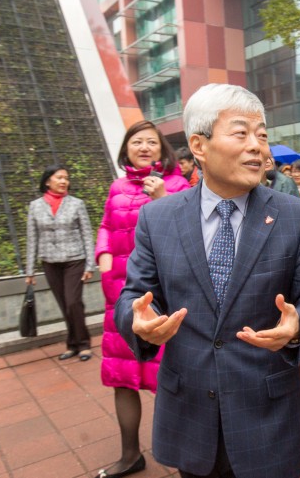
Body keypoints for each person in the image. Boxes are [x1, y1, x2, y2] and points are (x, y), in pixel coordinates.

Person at [115, 83, 300, 478]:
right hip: (190, 412)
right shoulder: (158, 218)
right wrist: (139, 323)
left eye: (263, 135)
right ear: (199, 146)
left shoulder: (293, 216)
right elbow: (135, 293)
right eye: (242, 133)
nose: (258, 147)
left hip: (267, 414)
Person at [95, 120, 190, 478]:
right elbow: (105, 226)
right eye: (138, 142)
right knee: (122, 376)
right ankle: (130, 454)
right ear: (127, 149)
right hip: (119, 296)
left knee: (170, 379)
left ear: (163, 150)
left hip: (161, 299)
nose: (145, 147)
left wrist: (162, 198)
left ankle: (185, 457)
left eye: (152, 142)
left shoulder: (178, 185)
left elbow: (189, 234)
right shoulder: (116, 186)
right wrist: (104, 259)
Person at [25, 164, 95, 361]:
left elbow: (87, 235)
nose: (64, 181)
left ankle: (83, 344)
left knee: (73, 302)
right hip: (49, 262)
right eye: (59, 177)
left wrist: (90, 265)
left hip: (74, 260)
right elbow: (32, 238)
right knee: (64, 304)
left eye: (66, 178)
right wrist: (30, 271)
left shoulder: (76, 204)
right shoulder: (35, 206)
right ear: (48, 181)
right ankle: (72, 344)